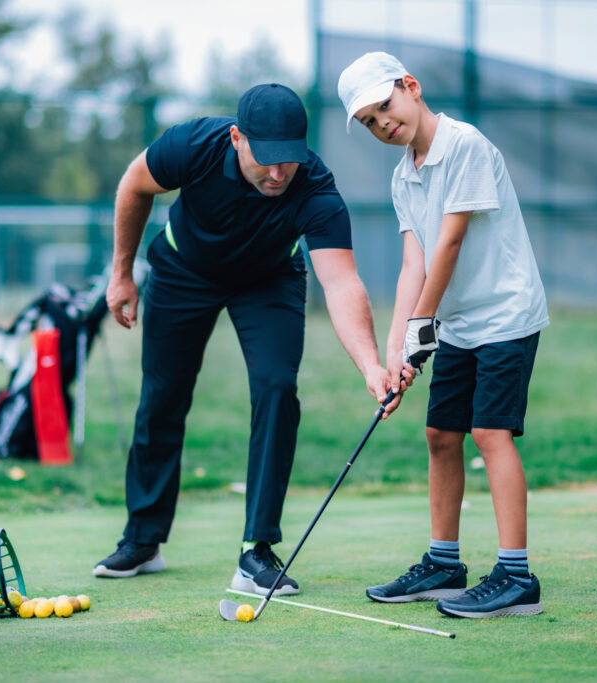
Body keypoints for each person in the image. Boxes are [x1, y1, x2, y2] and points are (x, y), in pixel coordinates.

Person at [94, 83, 396, 596]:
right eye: (267, 159)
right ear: (237, 138)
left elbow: (342, 282)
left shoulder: (317, 188)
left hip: (268, 280)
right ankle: (143, 541)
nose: (278, 174)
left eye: (289, 161)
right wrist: (122, 272)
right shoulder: (193, 145)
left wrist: (370, 365)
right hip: (183, 269)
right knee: (162, 397)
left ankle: (256, 550)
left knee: (278, 387)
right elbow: (134, 185)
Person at [337, 52, 549, 618]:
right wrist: (392, 353)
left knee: (489, 433)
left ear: (411, 87)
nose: (383, 123)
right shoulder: (403, 174)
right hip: (455, 321)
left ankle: (514, 575)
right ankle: (444, 563)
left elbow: (450, 245)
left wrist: (420, 330)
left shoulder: (466, 146)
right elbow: (415, 264)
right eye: (369, 122)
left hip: (504, 313)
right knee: (439, 433)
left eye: (385, 106)